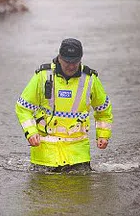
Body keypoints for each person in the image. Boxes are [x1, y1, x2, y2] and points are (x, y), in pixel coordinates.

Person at [15, 38, 113, 172]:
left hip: (78, 156)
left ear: (81, 59)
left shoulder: (90, 79)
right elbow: (23, 108)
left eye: (75, 62)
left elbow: (103, 110)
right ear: (59, 57)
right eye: (67, 61)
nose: (71, 66)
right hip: (45, 156)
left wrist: (103, 135)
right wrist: (30, 133)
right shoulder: (43, 76)